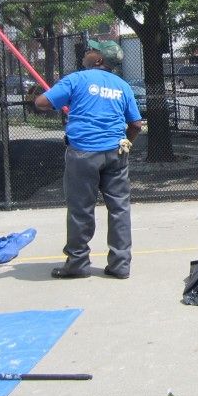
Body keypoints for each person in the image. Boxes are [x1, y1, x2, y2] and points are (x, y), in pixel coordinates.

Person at [34, 39, 143, 279]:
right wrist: (127, 141)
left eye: (91, 50)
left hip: (83, 153)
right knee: (119, 208)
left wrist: (57, 97)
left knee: (80, 210)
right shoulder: (123, 86)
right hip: (116, 152)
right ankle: (120, 265)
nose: (86, 53)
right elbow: (136, 124)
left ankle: (78, 263)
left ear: (99, 59)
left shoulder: (77, 79)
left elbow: (41, 103)